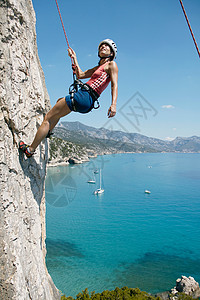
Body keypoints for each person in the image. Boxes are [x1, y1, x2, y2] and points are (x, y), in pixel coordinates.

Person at [19, 39, 118, 158]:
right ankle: (48, 132)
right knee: (59, 103)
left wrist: (113, 104)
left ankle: (30, 150)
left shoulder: (111, 64)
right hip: (87, 100)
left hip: (85, 95)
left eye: (107, 46)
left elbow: (114, 84)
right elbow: (80, 75)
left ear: (111, 53)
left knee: (48, 118)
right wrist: (74, 57)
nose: (103, 47)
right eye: (102, 45)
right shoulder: (98, 68)